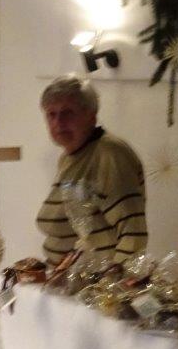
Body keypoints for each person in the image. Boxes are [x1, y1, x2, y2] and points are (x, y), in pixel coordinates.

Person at [36, 74, 147, 266]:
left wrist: (116, 280)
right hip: (67, 277)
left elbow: (132, 233)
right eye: (51, 114)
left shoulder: (109, 153)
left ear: (91, 115)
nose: (58, 122)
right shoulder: (70, 156)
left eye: (67, 113)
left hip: (97, 280)